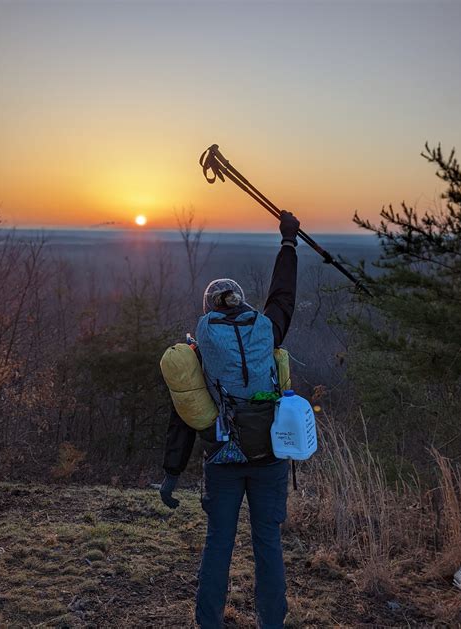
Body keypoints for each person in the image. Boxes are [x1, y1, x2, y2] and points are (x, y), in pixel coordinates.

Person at [159, 210, 300, 629]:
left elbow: (186, 408)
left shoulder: (201, 341)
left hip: (222, 459)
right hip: (270, 458)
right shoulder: (267, 330)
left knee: (218, 544)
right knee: (268, 546)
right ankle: (272, 623)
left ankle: (210, 623)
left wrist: (172, 472)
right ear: (243, 303)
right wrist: (288, 241)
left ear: (209, 309)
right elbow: (283, 297)